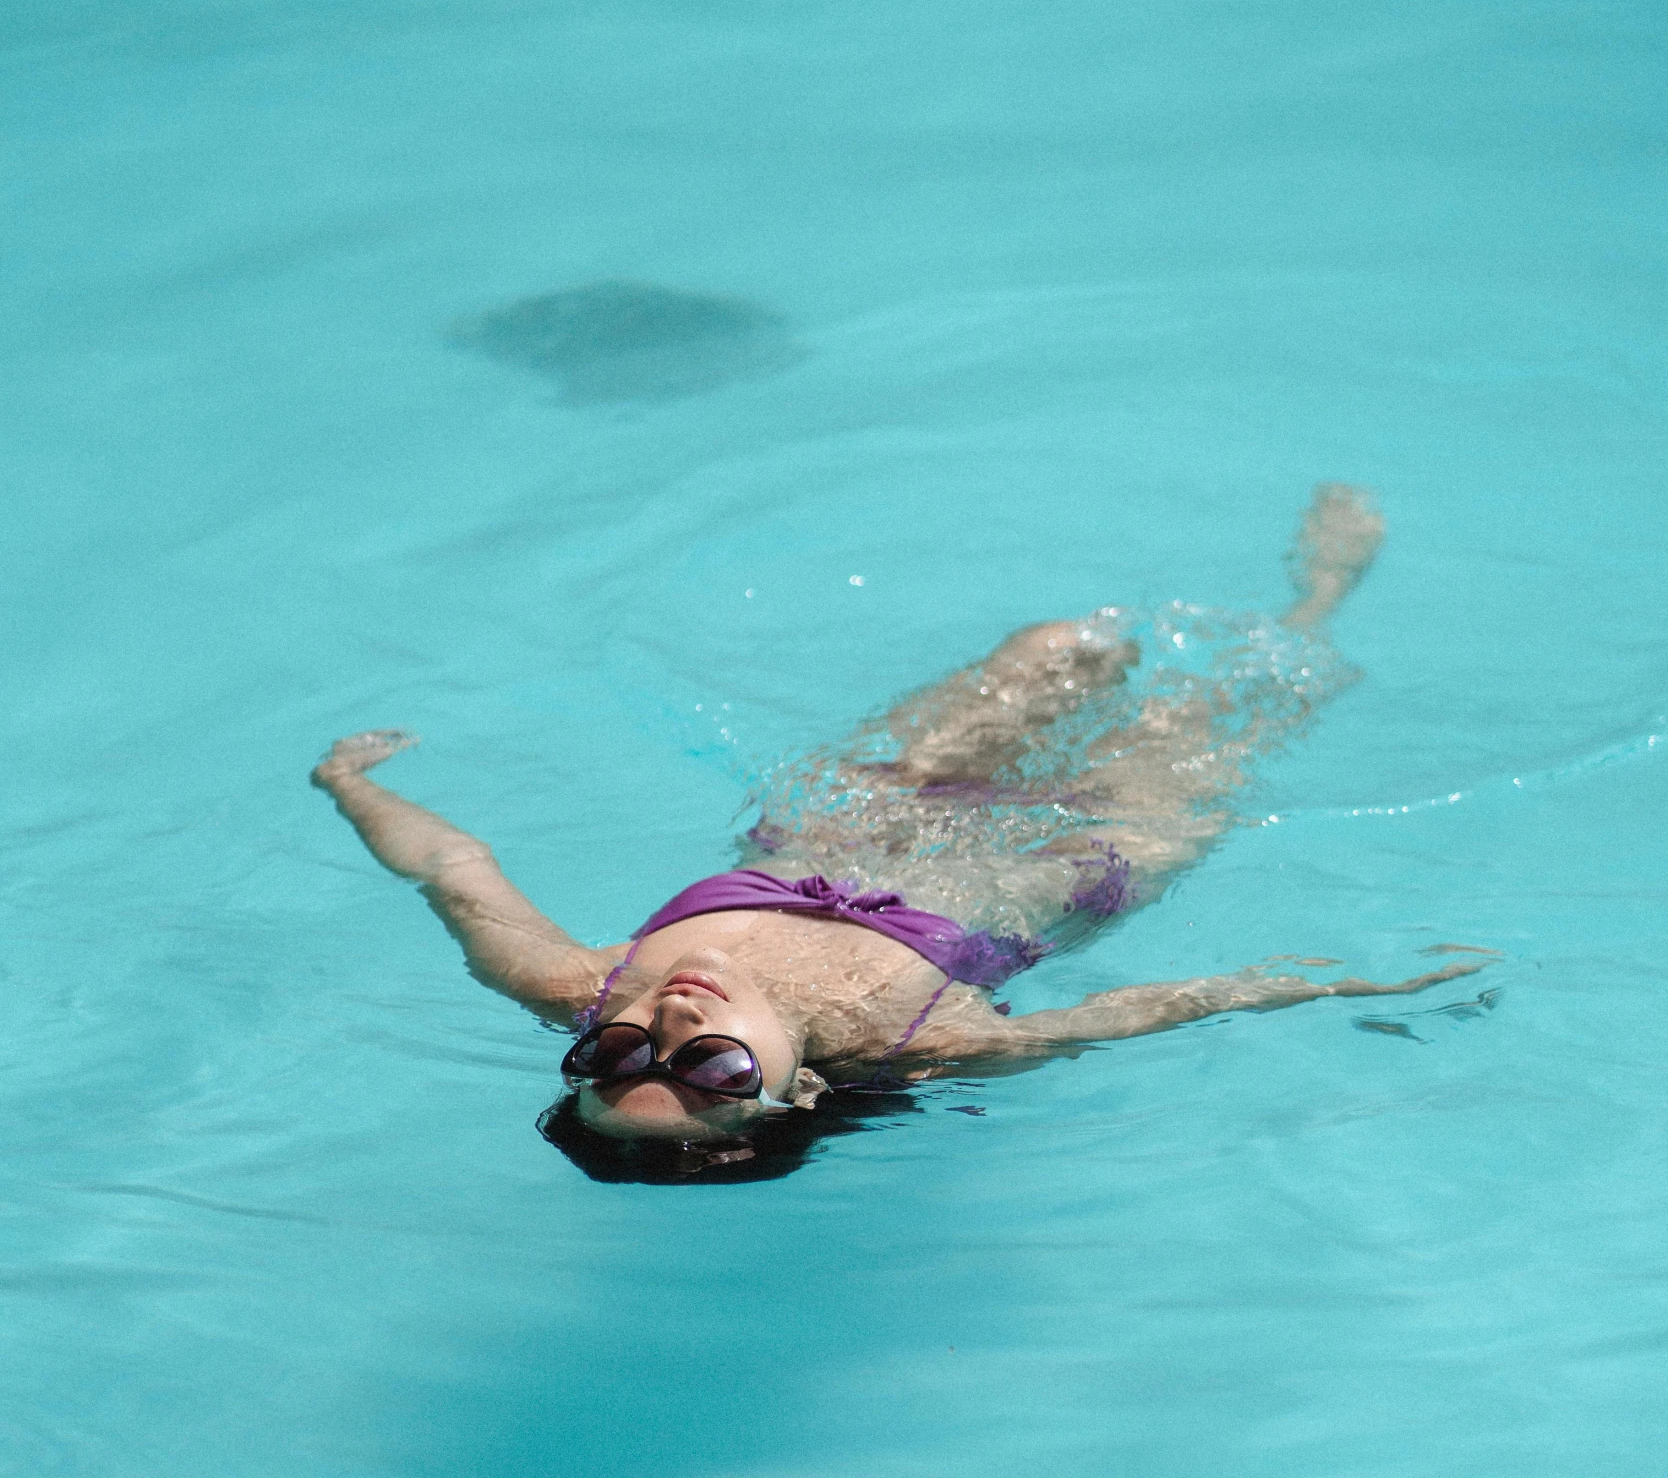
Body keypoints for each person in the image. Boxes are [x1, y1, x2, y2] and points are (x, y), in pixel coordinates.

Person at [311, 486, 1487, 1182]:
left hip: (865, 794)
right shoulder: (930, 1042)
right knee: (1251, 689)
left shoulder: (574, 977)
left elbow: (448, 864)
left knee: (1065, 646)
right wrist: (1372, 980)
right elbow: (1175, 1002)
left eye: (611, 1061)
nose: (664, 1024)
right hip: (1083, 856)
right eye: (709, 1070)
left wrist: (346, 785)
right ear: (798, 1087)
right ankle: (1325, 583)